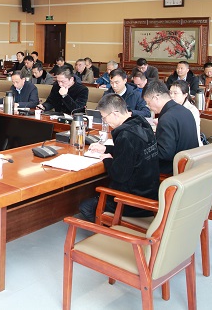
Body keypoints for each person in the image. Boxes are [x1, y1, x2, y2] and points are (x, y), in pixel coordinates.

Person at [78, 94, 160, 223]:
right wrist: (107, 149)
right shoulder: (142, 124)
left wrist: (106, 159)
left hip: (132, 201)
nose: (105, 121)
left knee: (85, 207)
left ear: (115, 114)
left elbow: (119, 175)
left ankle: (111, 229)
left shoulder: (126, 135)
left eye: (104, 117)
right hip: (151, 193)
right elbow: (133, 153)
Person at [142, 80, 199, 175]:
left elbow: (164, 154)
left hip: (173, 171)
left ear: (156, 98)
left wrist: (144, 149)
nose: (148, 106)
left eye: (148, 102)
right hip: (189, 167)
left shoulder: (166, 118)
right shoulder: (185, 111)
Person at [169, 80, 202, 146]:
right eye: (170, 93)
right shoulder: (171, 106)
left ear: (185, 95)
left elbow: (188, 132)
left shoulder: (192, 110)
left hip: (191, 145)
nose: (172, 96)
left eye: (175, 93)